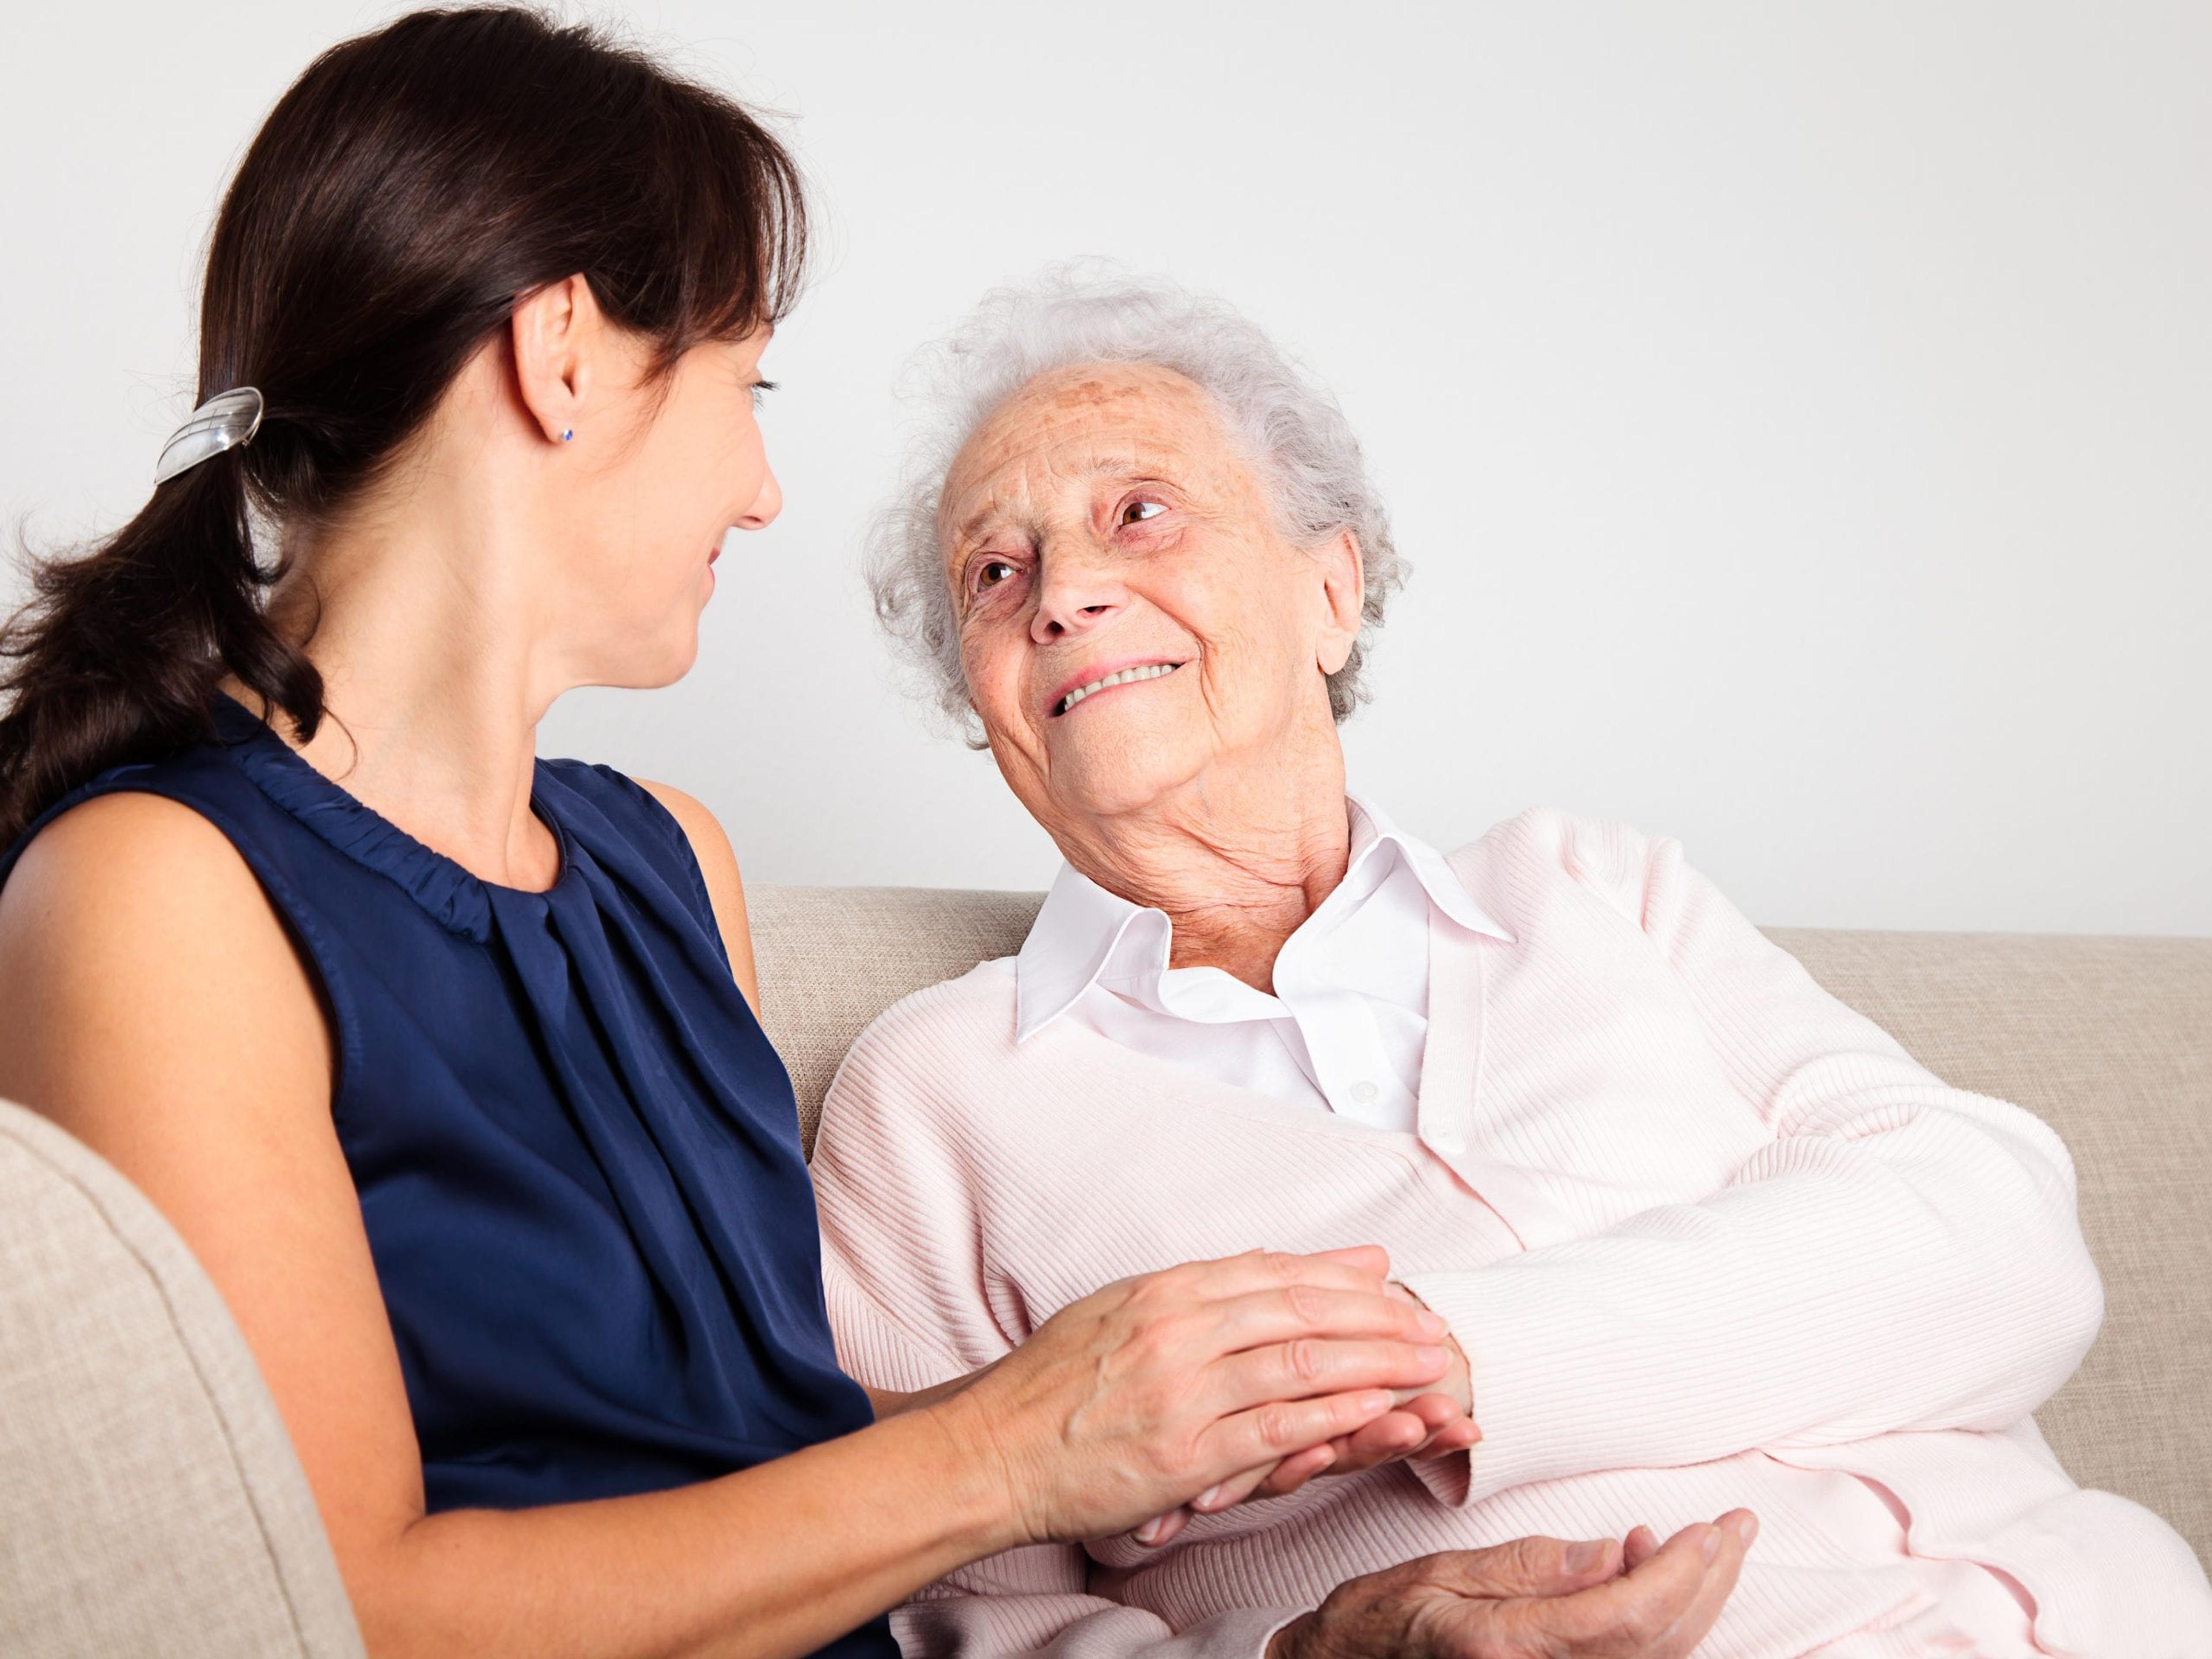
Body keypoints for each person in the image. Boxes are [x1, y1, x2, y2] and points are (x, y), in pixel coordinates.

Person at [0, 13, 1631, 1659]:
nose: (767, 488)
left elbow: (743, 1460)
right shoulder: (156, 896)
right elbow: (330, 1607)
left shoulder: (665, 865)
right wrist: (1016, 1444)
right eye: (743, 381)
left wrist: (1281, 1611)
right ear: (562, 355)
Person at [812, 268, 2212, 1657]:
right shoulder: (942, 1096)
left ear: (1328, 590)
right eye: (995, 574)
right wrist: (1306, 1656)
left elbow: (1998, 1239)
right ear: (983, 693)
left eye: (1141, 514)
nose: (1062, 596)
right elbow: (949, 1610)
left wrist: (1444, 1361)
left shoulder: (1589, 888)